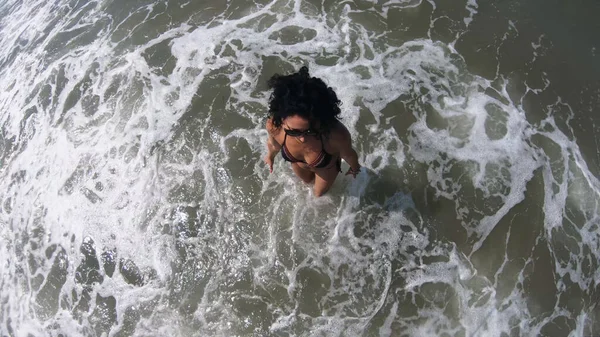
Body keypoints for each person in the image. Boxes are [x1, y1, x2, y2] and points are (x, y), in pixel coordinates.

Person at [263, 66, 361, 197]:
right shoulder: (274, 126)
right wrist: (270, 156)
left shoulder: (335, 135)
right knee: (307, 183)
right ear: (282, 119)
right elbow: (273, 144)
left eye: (310, 130)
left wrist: (355, 168)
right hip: (298, 164)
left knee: (318, 195)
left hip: (325, 168)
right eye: (294, 132)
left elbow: (349, 154)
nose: (302, 138)